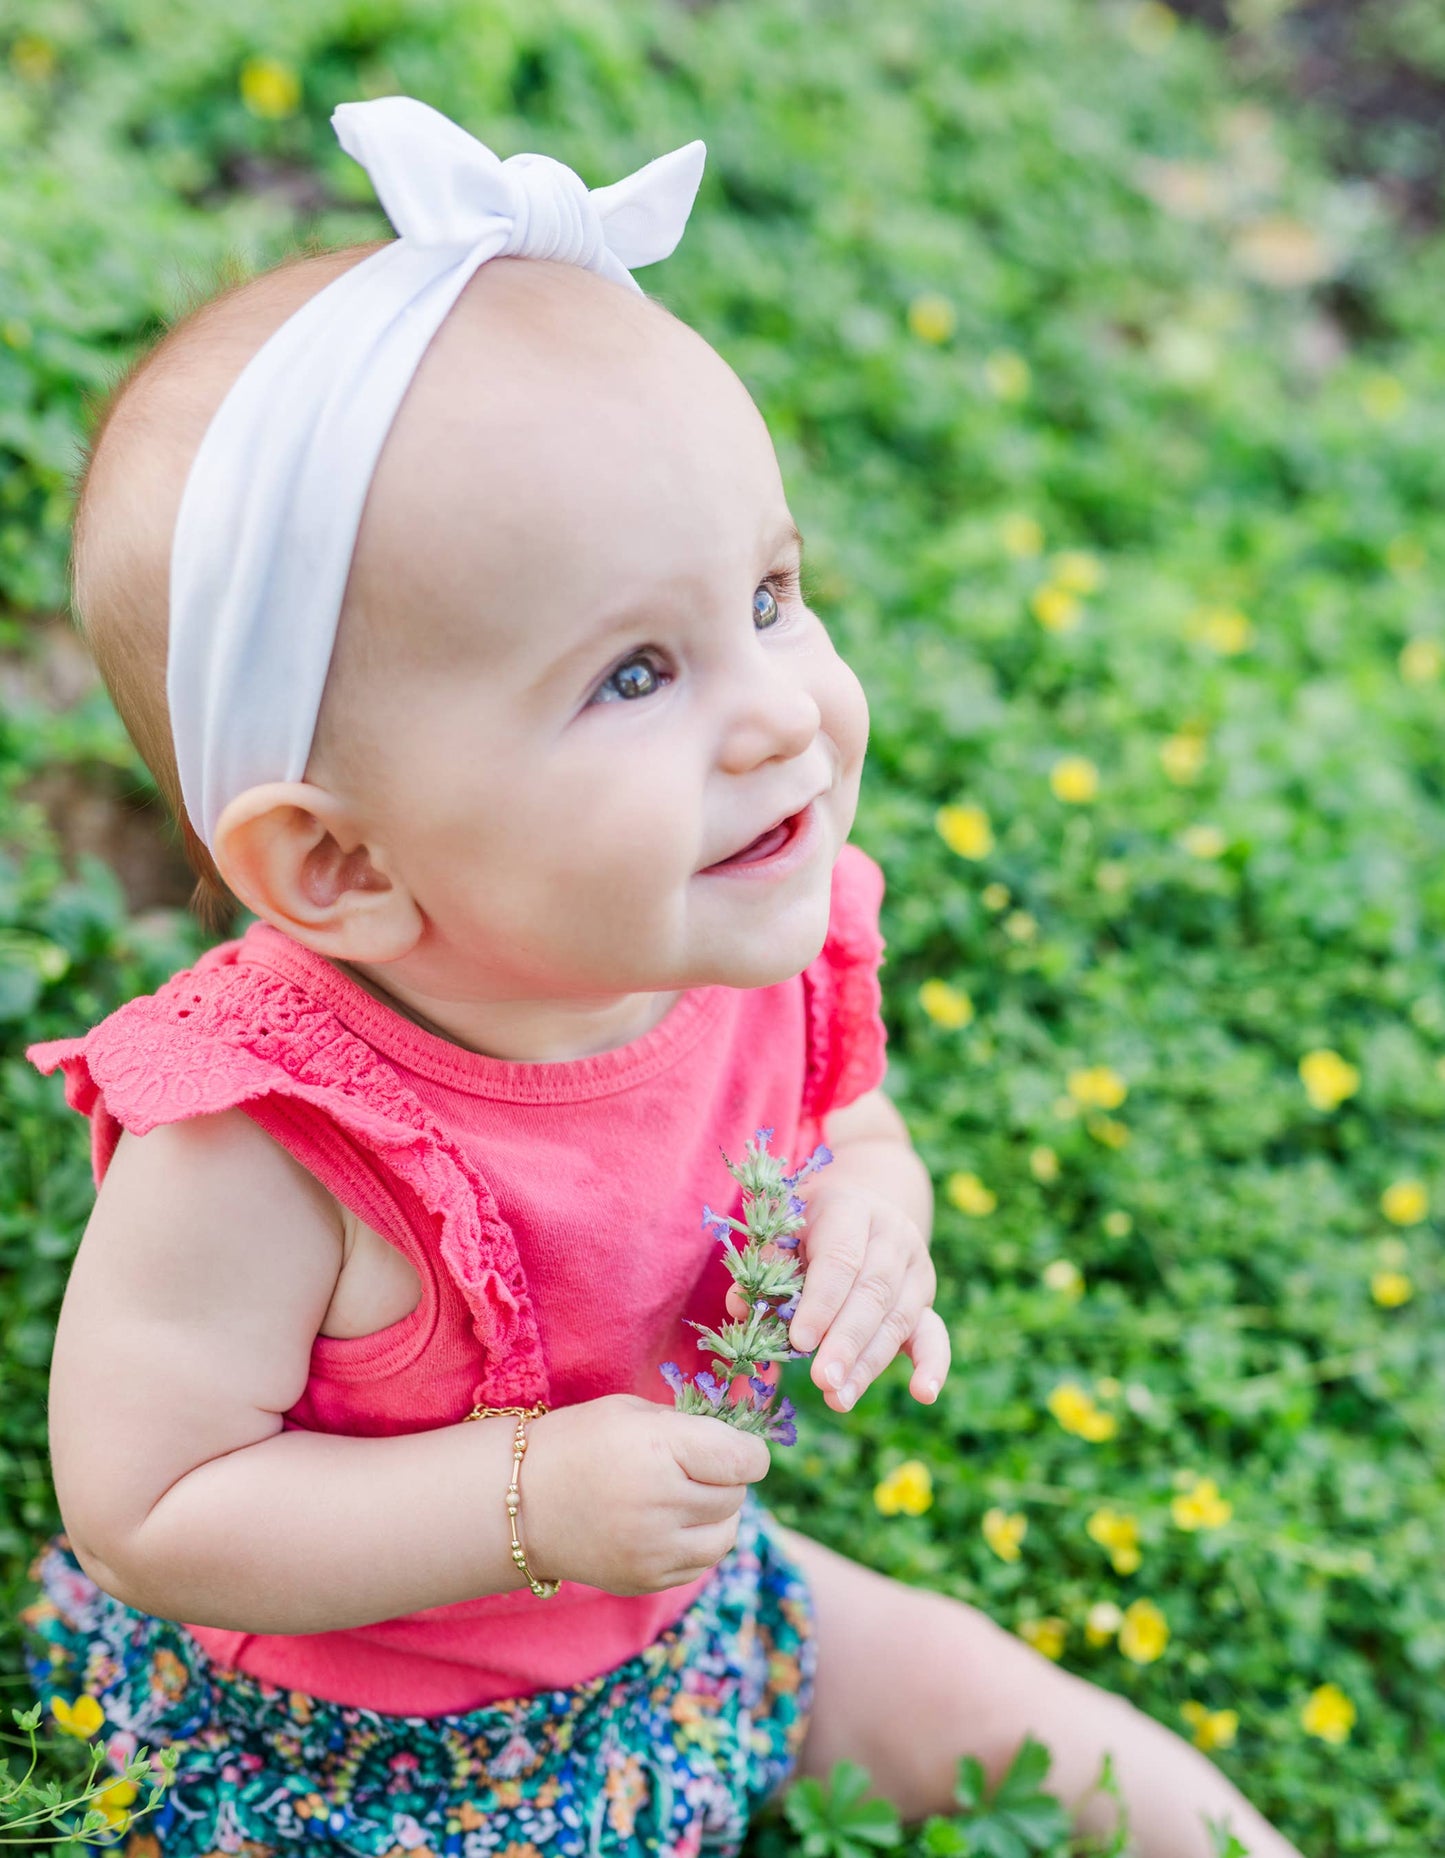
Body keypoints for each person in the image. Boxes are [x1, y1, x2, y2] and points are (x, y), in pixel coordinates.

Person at [17, 98, 1302, 1858]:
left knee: (1021, 1726)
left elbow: (846, 1107)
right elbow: (147, 1505)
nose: (778, 710)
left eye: (769, 596)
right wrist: (529, 1499)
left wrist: (872, 1195)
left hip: (688, 1632)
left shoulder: (734, 928)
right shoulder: (262, 1143)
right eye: (636, 673)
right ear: (342, 864)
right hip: (354, 1755)